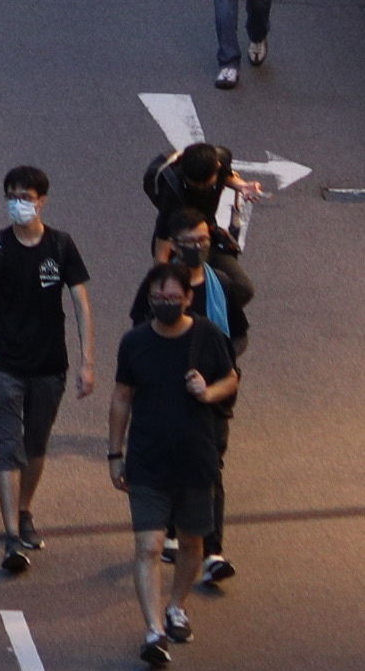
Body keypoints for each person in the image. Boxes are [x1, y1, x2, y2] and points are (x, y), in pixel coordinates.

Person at [0, 162, 94, 573]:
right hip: (5, 365)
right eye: (13, 196)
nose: (19, 204)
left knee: (36, 445)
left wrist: (87, 359)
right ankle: (11, 537)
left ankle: (24, 510)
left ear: (43, 201)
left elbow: (80, 303)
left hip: (50, 364)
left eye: (27, 197)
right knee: (8, 444)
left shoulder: (61, 246)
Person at [112, 263, 242, 667]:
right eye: (157, 298)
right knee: (149, 546)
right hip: (148, 460)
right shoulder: (134, 343)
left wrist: (208, 392)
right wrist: (115, 453)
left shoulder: (206, 335)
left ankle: (176, 606)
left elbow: (232, 378)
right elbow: (121, 398)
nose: (165, 304)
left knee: (191, 543)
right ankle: (154, 631)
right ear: (148, 300)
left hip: (196, 459)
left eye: (173, 297)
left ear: (188, 298)